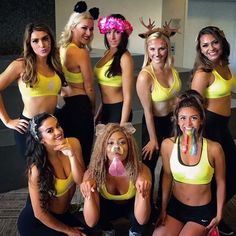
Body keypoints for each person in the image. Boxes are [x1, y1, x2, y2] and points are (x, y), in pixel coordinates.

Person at [152, 90, 225, 236]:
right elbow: (167, 177)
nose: (188, 123)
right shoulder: (168, 145)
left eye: (193, 118)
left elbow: (221, 182)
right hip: (176, 208)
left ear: (201, 120)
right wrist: (164, 208)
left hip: (201, 212)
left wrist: (219, 215)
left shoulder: (214, 149)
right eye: (183, 118)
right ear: (177, 120)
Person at [0, 22, 66, 159]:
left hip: (52, 128)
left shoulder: (55, 65)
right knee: (35, 174)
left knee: (54, 172)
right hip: (28, 128)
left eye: (45, 39)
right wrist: (7, 121)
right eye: (35, 41)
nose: (42, 45)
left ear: (51, 40)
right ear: (29, 43)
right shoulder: (20, 65)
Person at [136, 18, 181, 211]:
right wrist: (153, 138)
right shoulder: (145, 76)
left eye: (161, 48)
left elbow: (175, 97)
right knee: (149, 164)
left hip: (173, 122)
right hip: (153, 123)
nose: (157, 54)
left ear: (167, 48)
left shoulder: (171, 67)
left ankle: (163, 201)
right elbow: (147, 110)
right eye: (152, 49)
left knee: (170, 163)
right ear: (147, 50)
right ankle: (144, 205)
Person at [17, 112, 86, 235]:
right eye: (50, 131)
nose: (58, 132)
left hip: (63, 214)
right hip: (38, 221)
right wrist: (69, 230)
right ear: (41, 139)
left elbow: (80, 180)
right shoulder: (36, 169)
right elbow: (39, 213)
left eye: (58, 126)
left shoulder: (73, 144)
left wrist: (72, 156)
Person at [80, 123, 151, 236]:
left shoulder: (141, 170)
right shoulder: (92, 172)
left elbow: (142, 219)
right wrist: (89, 195)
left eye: (122, 142)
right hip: (109, 206)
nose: (117, 147)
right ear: (102, 147)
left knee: (143, 221)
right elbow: (91, 222)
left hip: (131, 205)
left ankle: (134, 232)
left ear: (129, 146)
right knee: (95, 220)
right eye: (110, 143)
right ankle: (108, 229)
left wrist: (144, 194)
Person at [191, 26, 236, 202]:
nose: (211, 48)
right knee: (215, 176)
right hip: (209, 127)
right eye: (205, 45)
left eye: (214, 42)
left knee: (229, 172)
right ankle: (208, 218)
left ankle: (214, 216)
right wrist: (194, 141)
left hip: (223, 127)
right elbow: (193, 107)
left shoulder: (224, 65)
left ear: (222, 42)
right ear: (200, 49)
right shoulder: (204, 73)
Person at [56, 1, 99, 167]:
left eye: (91, 28)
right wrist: (93, 108)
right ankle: (84, 192)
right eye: (84, 28)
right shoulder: (80, 52)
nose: (88, 32)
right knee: (82, 156)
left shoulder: (62, 47)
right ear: (73, 27)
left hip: (63, 107)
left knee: (67, 156)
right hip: (80, 107)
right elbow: (89, 87)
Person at [94, 14, 134, 125]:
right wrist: (99, 113)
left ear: (123, 33)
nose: (112, 37)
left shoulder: (125, 57)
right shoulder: (107, 52)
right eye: (108, 32)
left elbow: (128, 97)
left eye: (116, 32)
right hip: (105, 109)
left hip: (119, 110)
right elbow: (105, 92)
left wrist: (123, 125)